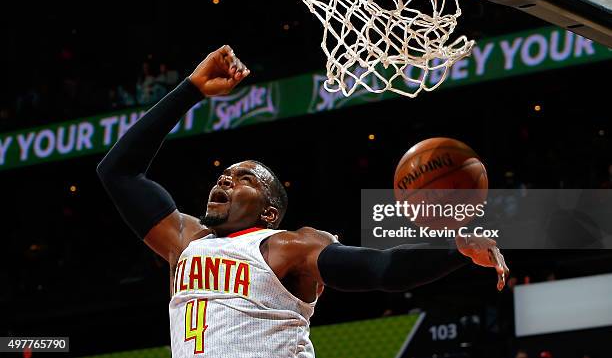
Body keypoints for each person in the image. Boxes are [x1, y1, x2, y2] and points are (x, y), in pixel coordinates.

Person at [97, 45, 510, 358]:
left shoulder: (290, 247)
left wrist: (454, 249)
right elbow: (118, 171)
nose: (225, 179)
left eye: (245, 179)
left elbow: (380, 268)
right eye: (225, 175)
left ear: (269, 212)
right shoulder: (184, 239)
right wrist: (190, 90)